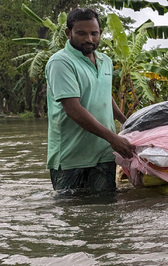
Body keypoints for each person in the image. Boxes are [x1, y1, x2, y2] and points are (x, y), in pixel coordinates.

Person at [45, 8, 134, 194]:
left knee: (105, 214)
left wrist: (127, 123)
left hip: (104, 154)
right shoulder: (61, 62)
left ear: (100, 33)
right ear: (68, 33)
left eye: (94, 33)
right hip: (71, 159)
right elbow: (73, 109)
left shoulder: (105, 61)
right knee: (72, 215)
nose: (89, 39)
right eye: (81, 33)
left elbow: (104, 95)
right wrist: (113, 138)